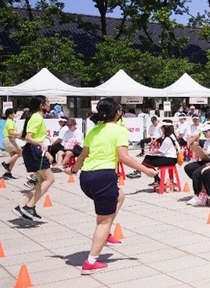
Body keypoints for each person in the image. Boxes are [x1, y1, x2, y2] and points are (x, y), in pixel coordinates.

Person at [69, 98, 157, 274]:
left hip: (86, 178)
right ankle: (91, 262)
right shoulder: (119, 130)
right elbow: (123, 157)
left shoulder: (94, 131)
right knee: (104, 221)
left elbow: (82, 156)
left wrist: (73, 170)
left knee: (119, 196)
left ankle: (105, 232)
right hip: (103, 177)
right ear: (117, 112)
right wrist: (145, 170)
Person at [14, 96, 58, 222]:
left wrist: (47, 138)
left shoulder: (35, 117)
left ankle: (22, 206)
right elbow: (28, 137)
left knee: (40, 182)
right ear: (42, 105)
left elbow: (24, 135)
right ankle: (29, 207)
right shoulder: (37, 117)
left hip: (31, 150)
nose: (50, 104)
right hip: (35, 151)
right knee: (50, 179)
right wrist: (40, 144)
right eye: (48, 102)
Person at [2, 107, 22, 179]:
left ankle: (8, 173)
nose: (14, 114)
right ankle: (6, 164)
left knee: (14, 157)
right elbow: (10, 132)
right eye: (13, 113)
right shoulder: (10, 122)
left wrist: (18, 136)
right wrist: (19, 134)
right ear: (10, 114)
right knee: (20, 152)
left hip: (8, 139)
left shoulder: (10, 121)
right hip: (9, 140)